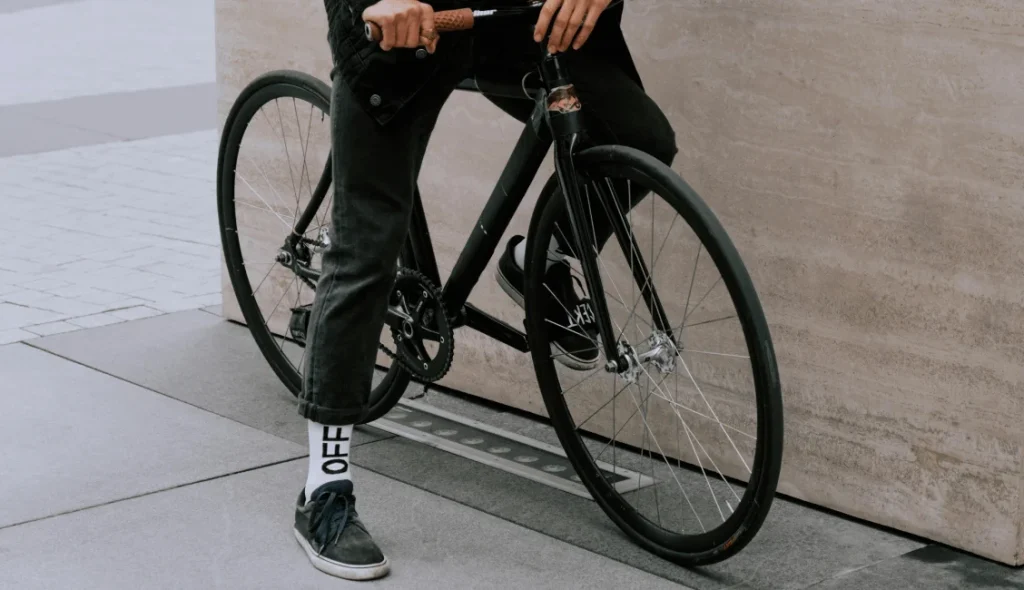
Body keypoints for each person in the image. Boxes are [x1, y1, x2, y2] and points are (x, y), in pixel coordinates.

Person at [293, 0, 677, 580]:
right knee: (366, 247)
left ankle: (541, 262)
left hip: (513, 18)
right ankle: (323, 489)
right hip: (405, 25)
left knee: (639, 136)